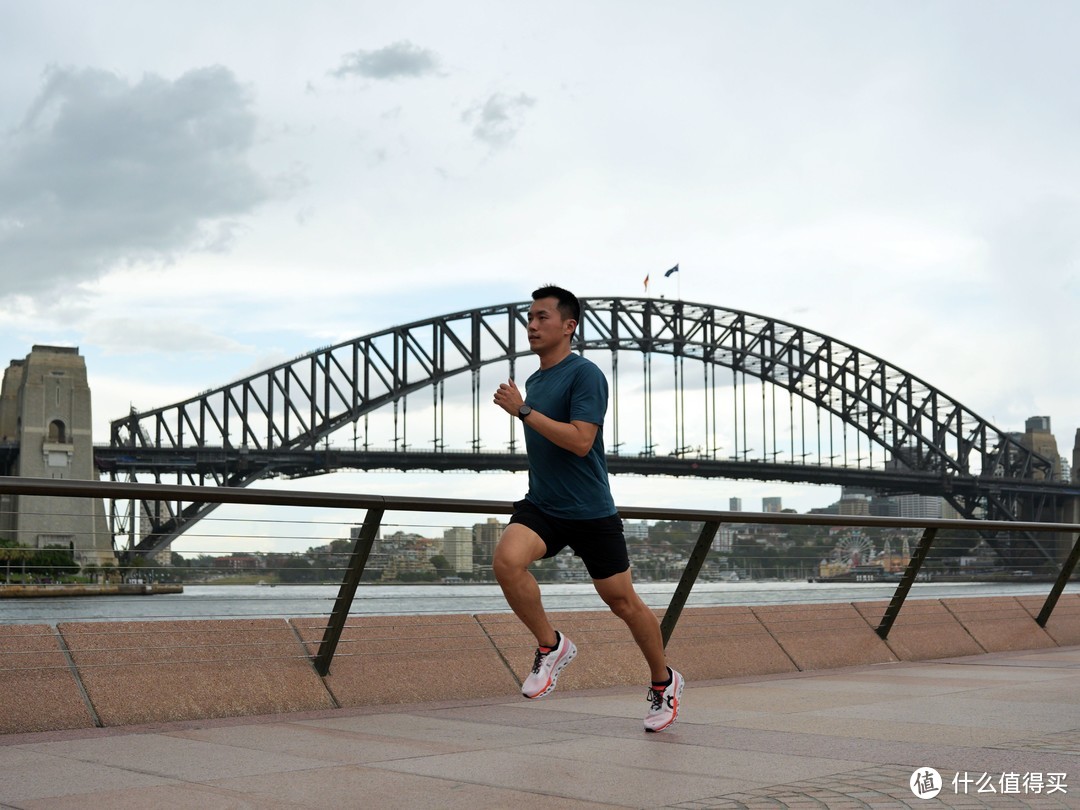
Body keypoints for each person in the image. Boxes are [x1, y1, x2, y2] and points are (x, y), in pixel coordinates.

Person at [492, 284, 684, 733]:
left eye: (542, 317)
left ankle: (664, 680)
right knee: (506, 561)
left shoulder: (586, 375)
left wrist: (522, 412)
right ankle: (551, 645)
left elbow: (581, 442)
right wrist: (527, 407)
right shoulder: (537, 380)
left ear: (568, 325)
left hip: (591, 509)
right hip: (544, 505)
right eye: (530, 318)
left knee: (622, 602)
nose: (532, 325)